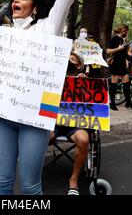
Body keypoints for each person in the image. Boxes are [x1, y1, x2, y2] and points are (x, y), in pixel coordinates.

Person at [0, 0, 96, 195]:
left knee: (30, 185)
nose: (16, 1)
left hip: (37, 116)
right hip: (2, 115)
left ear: (35, 6)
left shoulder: (48, 27)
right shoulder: (2, 34)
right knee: (2, 183)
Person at [50, 53, 90, 195]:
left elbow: (92, 105)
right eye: (68, 59)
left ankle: (73, 180)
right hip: (54, 121)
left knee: (84, 140)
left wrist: (83, 83)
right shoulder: (53, 77)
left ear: (79, 65)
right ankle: (32, 177)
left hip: (75, 122)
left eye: (73, 59)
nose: (69, 61)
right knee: (39, 138)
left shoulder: (85, 81)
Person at [106, 24, 132, 110]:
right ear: (121, 31)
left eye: (126, 31)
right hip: (115, 64)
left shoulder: (123, 40)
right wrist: (119, 48)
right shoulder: (114, 39)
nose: (126, 33)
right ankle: (112, 103)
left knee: (126, 84)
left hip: (122, 64)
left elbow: (124, 53)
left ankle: (128, 102)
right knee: (114, 84)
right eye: (125, 31)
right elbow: (108, 51)